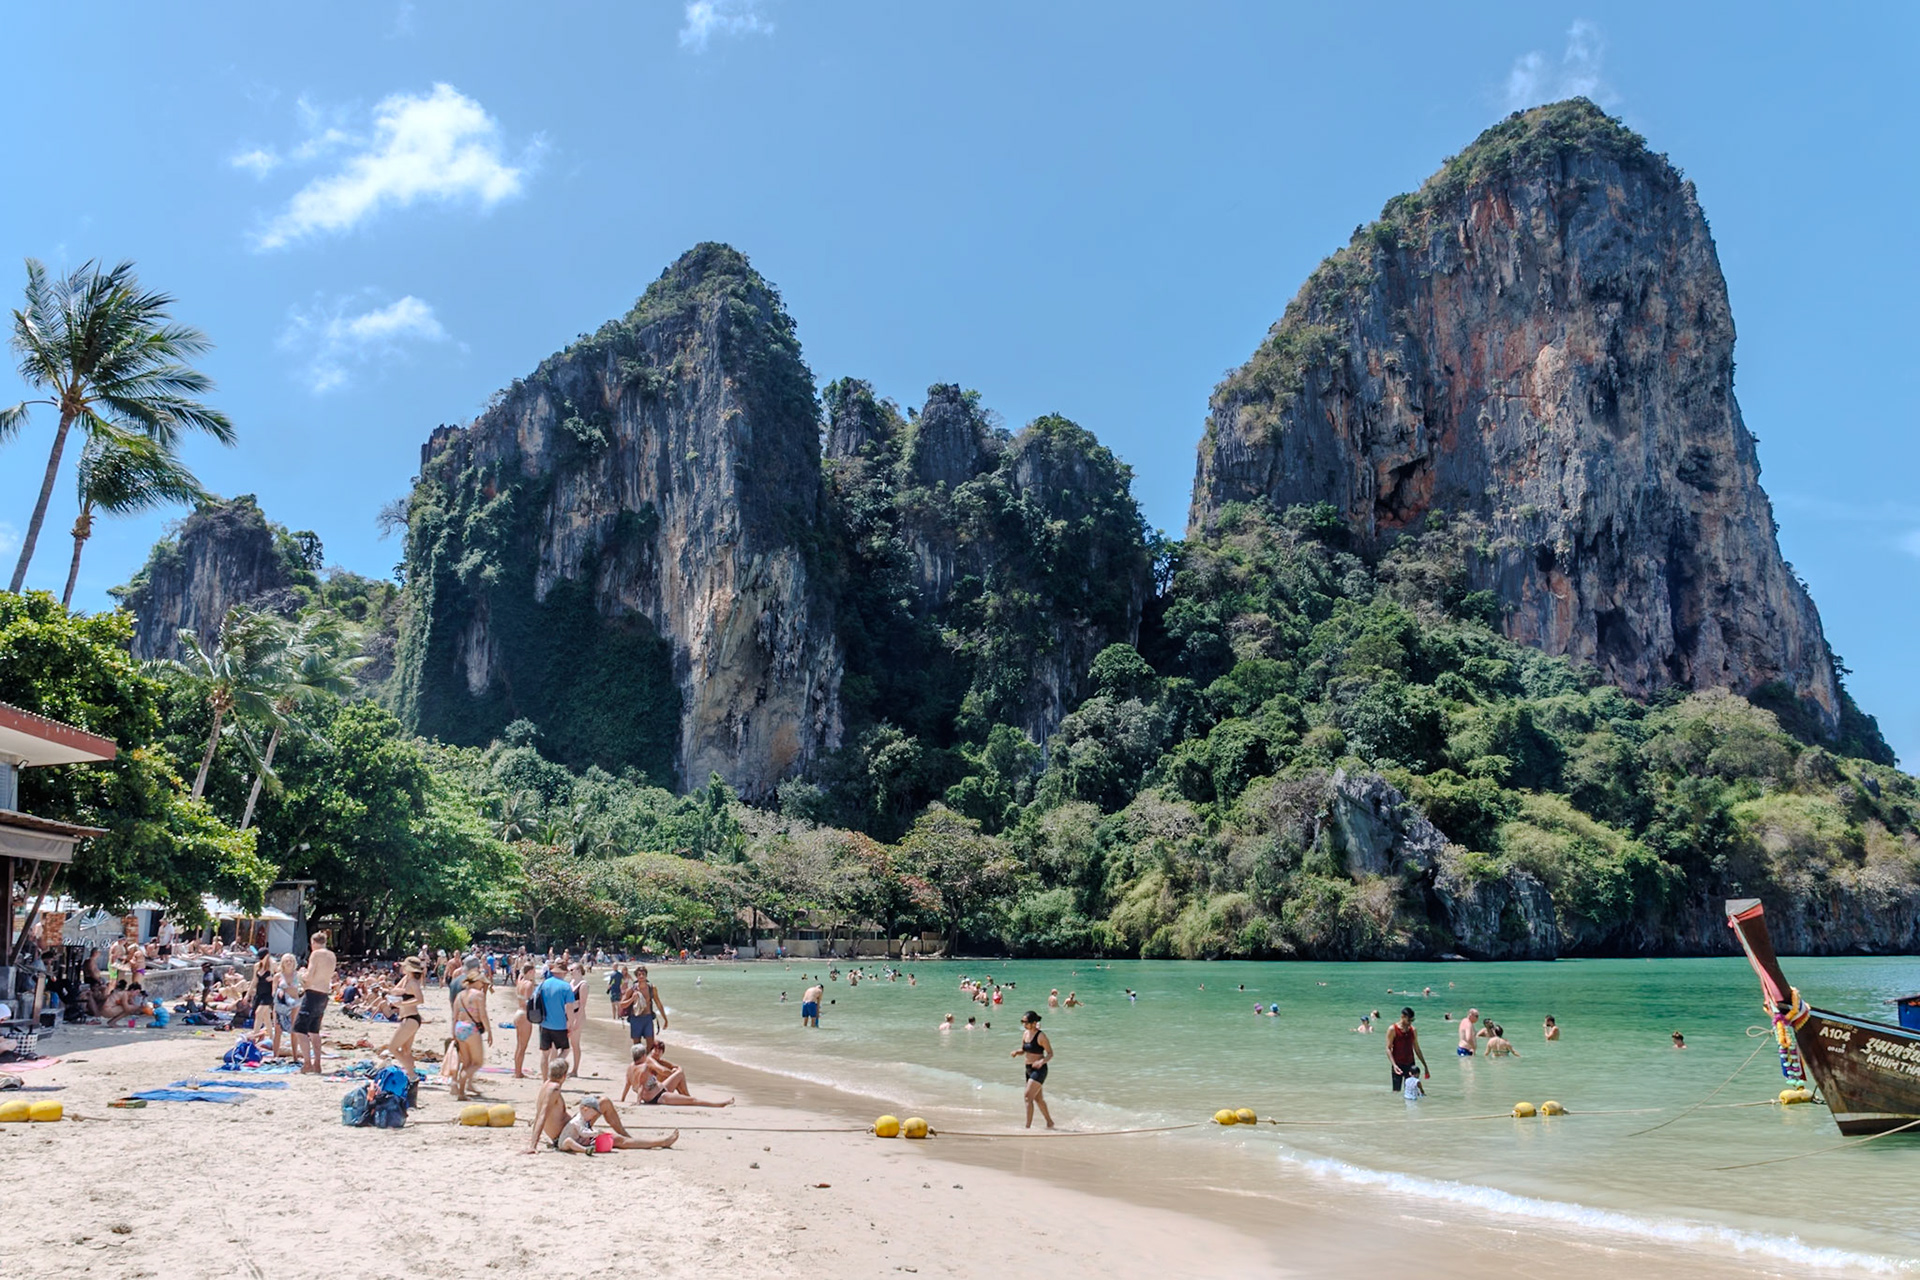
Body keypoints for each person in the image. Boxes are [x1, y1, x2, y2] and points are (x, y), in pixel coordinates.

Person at [549, 1095, 678, 1154]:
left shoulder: (580, 1116)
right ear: (584, 1109)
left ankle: (629, 1137)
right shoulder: (553, 1092)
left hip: (577, 1136)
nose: (594, 1116)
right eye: (593, 1113)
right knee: (619, 1141)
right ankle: (660, 1142)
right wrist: (596, 1133)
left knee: (605, 1101)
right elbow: (582, 1132)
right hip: (578, 1139)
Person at [623, 1042, 734, 1107]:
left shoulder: (629, 1068)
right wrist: (638, 1102)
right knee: (692, 1101)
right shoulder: (644, 1067)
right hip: (659, 1097)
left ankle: (685, 1096)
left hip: (660, 1089)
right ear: (643, 1055)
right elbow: (641, 1086)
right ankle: (719, 1104)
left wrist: (622, 1099)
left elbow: (628, 1085)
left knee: (679, 1074)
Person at [293, 932, 335, 1074]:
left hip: (312, 993)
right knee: (314, 1031)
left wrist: (301, 975)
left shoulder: (316, 954)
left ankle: (307, 1063)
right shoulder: (332, 956)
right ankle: (317, 1063)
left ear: (313, 942)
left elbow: (310, 976)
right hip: (324, 994)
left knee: (299, 1029)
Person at [450, 969, 493, 1100]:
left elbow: (454, 1016)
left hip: (459, 1027)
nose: (483, 985)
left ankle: (461, 1092)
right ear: (477, 981)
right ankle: (461, 1084)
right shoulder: (478, 995)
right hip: (471, 1028)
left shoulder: (460, 995)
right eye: (482, 982)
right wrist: (489, 1031)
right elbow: (483, 1015)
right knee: (477, 1062)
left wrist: (453, 1033)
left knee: (467, 1062)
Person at [1012, 1011, 1054, 1129]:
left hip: (1039, 1070)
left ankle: (1027, 1127)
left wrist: (1041, 1061)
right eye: (1022, 1022)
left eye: (1026, 1022)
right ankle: (1050, 1122)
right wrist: (1017, 1052)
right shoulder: (1025, 1034)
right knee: (1038, 1099)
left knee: (1027, 1097)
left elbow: (1050, 1053)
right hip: (1028, 1069)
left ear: (1034, 1023)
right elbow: (1024, 1050)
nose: (1024, 1024)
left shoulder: (1041, 1036)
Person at [535, 964, 576, 1081]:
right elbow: (569, 1008)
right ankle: (553, 1069)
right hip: (560, 1025)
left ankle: (544, 1080)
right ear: (563, 973)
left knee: (544, 1053)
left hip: (544, 1023)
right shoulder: (566, 987)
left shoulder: (543, 984)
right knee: (565, 1050)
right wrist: (571, 1024)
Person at [388, 957, 426, 1078]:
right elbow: (396, 990)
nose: (402, 967)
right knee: (406, 1050)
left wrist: (402, 1004)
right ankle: (411, 1074)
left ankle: (411, 1073)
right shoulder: (407, 979)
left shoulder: (413, 983)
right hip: (409, 1018)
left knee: (393, 1047)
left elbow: (420, 1000)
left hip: (411, 1018)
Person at [1387, 1007, 1429, 1094]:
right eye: (1409, 1020)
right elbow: (1388, 1049)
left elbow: (1417, 1049)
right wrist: (1394, 1065)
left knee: (1411, 1091)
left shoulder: (1413, 1030)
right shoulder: (1393, 1029)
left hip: (1410, 1065)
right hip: (1397, 1065)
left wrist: (1425, 1065)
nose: (1410, 1022)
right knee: (1396, 1091)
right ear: (1402, 1016)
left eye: (1412, 1020)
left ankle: (1410, 1107)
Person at [624, 964, 666, 1051]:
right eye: (639, 974)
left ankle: (645, 1061)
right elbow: (622, 1004)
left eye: (643, 974)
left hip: (648, 1018)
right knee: (637, 1046)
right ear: (636, 976)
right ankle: (639, 1062)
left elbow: (658, 1003)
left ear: (646, 976)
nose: (641, 976)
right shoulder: (632, 989)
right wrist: (632, 999)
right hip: (635, 1019)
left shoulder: (651, 988)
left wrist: (665, 1019)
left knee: (650, 1045)